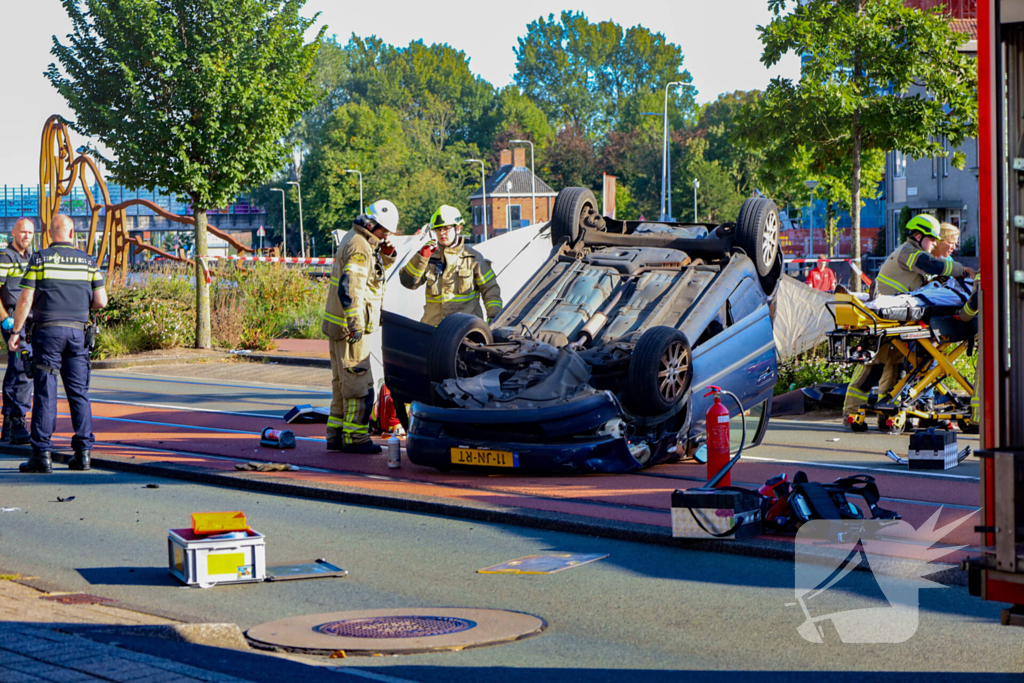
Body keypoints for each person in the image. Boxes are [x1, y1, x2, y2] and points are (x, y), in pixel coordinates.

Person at [843, 214, 976, 422]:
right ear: (917, 235)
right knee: (873, 366)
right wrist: (961, 270)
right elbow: (933, 265)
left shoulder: (912, 256)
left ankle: (885, 412)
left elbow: (918, 287)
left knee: (893, 365)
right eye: (931, 240)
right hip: (882, 316)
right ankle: (851, 412)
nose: (933, 245)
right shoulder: (908, 252)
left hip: (893, 318)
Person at [8, 215, 106, 473]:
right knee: (78, 392)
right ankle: (83, 453)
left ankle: (42, 455)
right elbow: (101, 301)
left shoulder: (39, 259)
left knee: (45, 391)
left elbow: (25, 299)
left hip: (48, 333)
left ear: (50, 234)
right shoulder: (88, 261)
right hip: (77, 335)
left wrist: (16, 331)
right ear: (72, 233)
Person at [322, 200, 398, 454]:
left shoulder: (356, 240)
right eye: (383, 231)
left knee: (340, 385)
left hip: (339, 327)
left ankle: (336, 436)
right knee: (358, 385)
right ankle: (355, 438)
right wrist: (356, 324)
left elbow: (371, 273)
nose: (385, 236)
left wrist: (385, 252)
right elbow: (351, 287)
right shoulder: (360, 246)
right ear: (371, 224)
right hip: (351, 330)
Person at [399, 205, 502, 326]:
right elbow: (408, 283)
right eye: (438, 229)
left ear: (458, 229)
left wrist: (493, 317)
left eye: (446, 228)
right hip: (432, 331)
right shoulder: (428, 257)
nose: (442, 233)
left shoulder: (473, 259)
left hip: (464, 332)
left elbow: (490, 290)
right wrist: (421, 258)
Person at [0, 218, 35, 444]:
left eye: (30, 233)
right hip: (13, 318)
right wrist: (5, 319)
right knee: (21, 365)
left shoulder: (31, 257)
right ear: (13, 232)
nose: (26, 236)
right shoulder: (5, 257)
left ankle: (10, 425)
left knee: (20, 367)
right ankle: (15, 419)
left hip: (28, 319)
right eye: (23, 232)